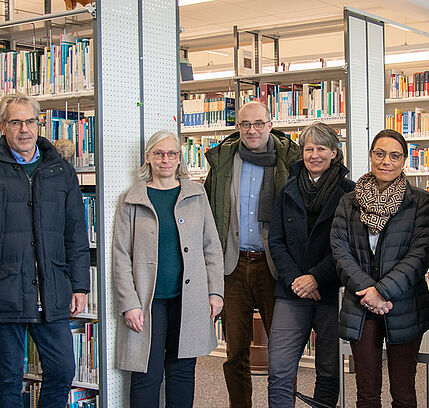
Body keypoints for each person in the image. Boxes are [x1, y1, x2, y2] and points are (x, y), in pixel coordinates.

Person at [113, 130, 224, 408]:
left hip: (188, 298)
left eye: (172, 153)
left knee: (182, 372)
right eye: (159, 153)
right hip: (148, 302)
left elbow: (211, 245)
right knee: (145, 373)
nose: (165, 159)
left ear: (179, 159)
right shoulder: (132, 198)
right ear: (148, 157)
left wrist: (215, 292)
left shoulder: (196, 193)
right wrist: (129, 303)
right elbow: (121, 255)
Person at [204, 101, 300, 407]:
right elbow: (209, 209)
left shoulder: (288, 161)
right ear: (237, 127)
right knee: (235, 353)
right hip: (233, 266)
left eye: (258, 123)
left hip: (273, 267)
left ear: (270, 125)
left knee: (282, 351)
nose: (252, 130)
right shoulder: (223, 161)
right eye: (245, 124)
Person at [331, 129, 429, 408]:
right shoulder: (348, 201)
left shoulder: (420, 201)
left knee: (403, 393)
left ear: (403, 161)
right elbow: (340, 251)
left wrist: (382, 291)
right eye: (379, 154)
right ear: (370, 156)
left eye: (394, 155)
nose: (385, 161)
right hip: (360, 305)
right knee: (366, 394)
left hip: (404, 305)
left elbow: (419, 256)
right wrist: (368, 290)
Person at [0, 93, 90, 406]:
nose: (24, 129)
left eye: (30, 121)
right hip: (6, 290)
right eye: (15, 122)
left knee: (63, 370)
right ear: (3, 126)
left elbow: (75, 233)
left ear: (39, 124)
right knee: (7, 379)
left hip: (51, 290)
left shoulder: (60, 170)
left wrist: (79, 285)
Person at [267, 122, 355, 407]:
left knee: (329, 371)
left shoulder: (349, 192)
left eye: (321, 148)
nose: (314, 155)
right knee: (279, 369)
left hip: (330, 290)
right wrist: (297, 279)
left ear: (334, 152)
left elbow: (349, 246)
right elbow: (276, 241)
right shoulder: (288, 189)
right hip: (292, 290)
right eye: (308, 149)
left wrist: (315, 278)